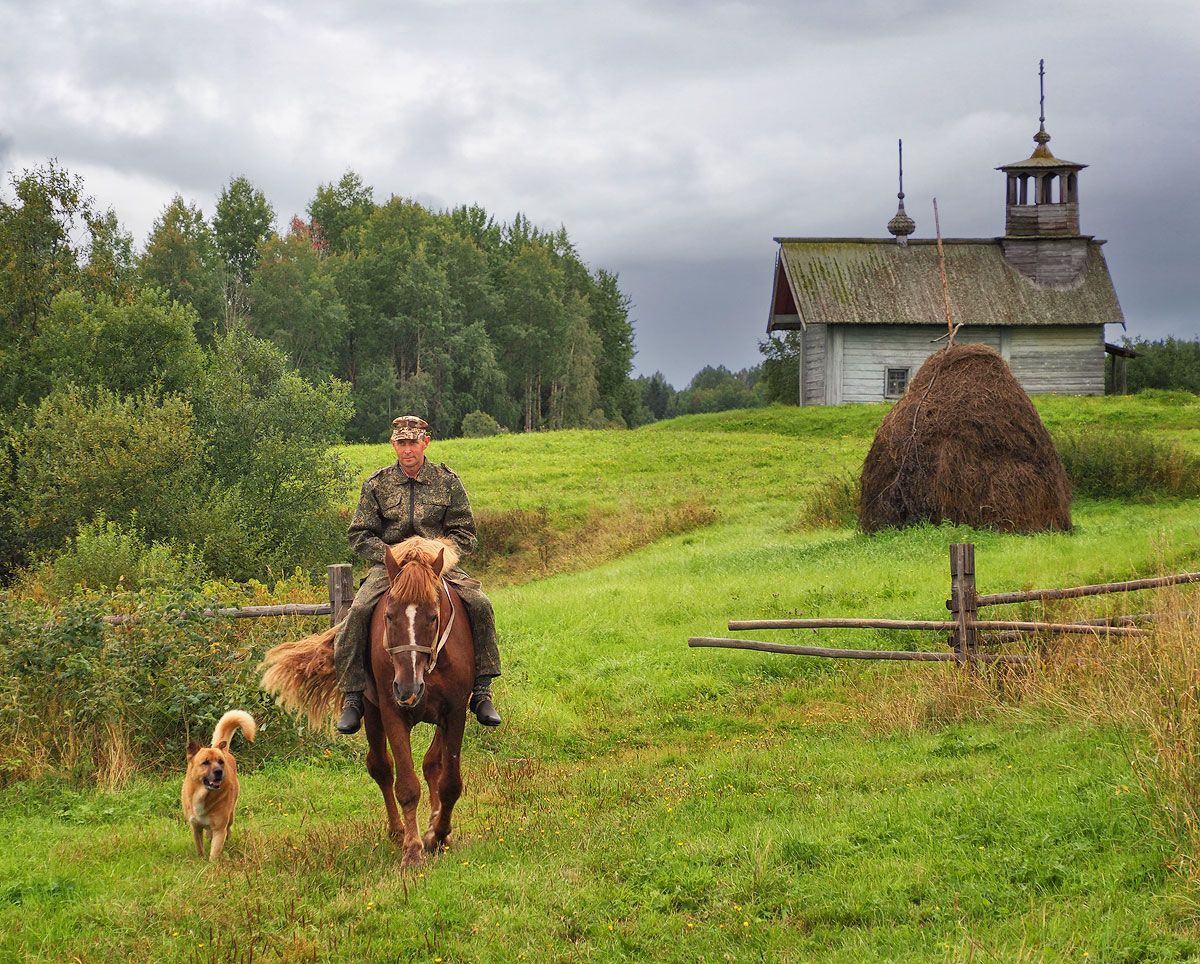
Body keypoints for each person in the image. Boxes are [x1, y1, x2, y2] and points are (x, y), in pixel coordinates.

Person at [333, 415, 502, 734]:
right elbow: (359, 534)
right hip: (392, 568)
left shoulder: (447, 480)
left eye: (412, 442)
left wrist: (439, 552)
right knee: (357, 612)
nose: (407, 449)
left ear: (425, 442)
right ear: (393, 445)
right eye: (401, 443)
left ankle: (482, 691)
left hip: (437, 566)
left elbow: (465, 532)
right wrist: (391, 553)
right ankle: (353, 696)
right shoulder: (377, 483)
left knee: (480, 604)